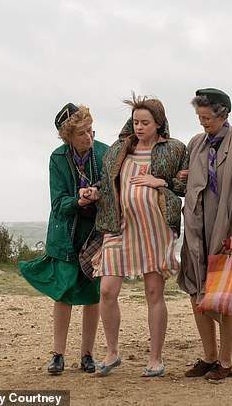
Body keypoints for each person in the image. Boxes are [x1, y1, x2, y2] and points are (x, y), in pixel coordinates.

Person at [85, 93, 188, 377]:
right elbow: (107, 183)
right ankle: (111, 352)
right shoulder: (119, 149)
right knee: (107, 290)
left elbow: (187, 185)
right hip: (118, 226)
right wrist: (93, 191)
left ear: (158, 124)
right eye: (136, 122)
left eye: (145, 122)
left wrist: (162, 181)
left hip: (156, 230)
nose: (139, 127)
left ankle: (156, 358)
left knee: (154, 292)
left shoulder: (175, 149)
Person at [18, 102, 108, 375]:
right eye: (82, 133)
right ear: (68, 136)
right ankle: (58, 354)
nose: (89, 138)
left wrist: (98, 192)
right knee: (64, 293)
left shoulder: (104, 153)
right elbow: (57, 203)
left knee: (93, 295)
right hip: (65, 235)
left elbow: (112, 188)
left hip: (95, 234)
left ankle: (88, 355)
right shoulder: (57, 158)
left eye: (91, 130)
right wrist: (78, 201)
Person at [177, 88, 232, 380]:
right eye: (199, 117)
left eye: (207, 117)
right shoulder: (196, 144)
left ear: (223, 115)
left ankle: (225, 362)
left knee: (224, 297)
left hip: (226, 231)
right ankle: (209, 357)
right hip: (196, 230)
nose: (202, 122)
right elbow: (188, 180)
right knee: (196, 292)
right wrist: (183, 178)